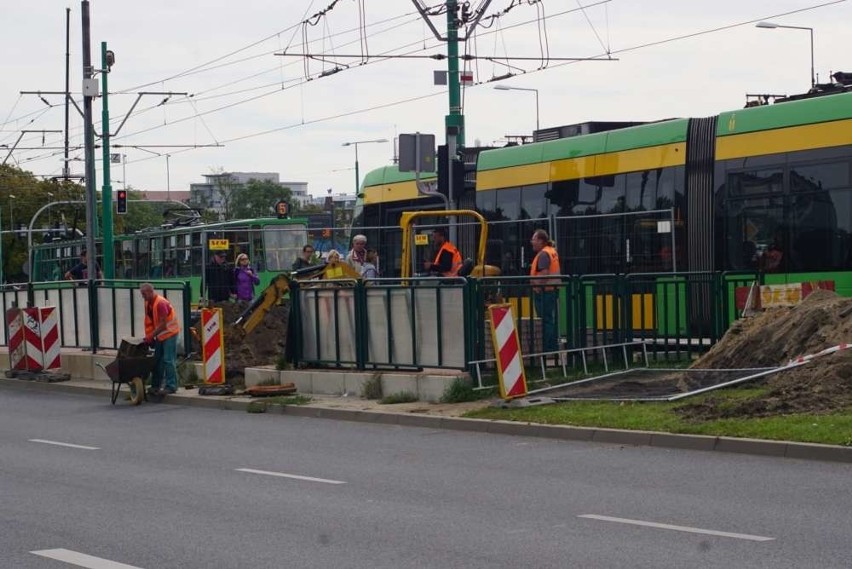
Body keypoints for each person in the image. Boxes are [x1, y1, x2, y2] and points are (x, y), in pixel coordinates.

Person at [140, 283, 181, 394]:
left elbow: (163, 325)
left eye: (143, 294)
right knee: (157, 360)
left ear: (150, 292)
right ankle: (155, 385)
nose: (142, 296)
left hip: (170, 334)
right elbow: (151, 321)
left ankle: (171, 386)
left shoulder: (161, 303)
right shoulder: (149, 303)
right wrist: (151, 336)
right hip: (160, 335)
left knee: (168, 360)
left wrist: (150, 336)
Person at [530, 229, 560, 353]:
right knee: (549, 320)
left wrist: (536, 285)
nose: (532, 242)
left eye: (534, 239)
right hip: (550, 291)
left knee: (545, 321)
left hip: (544, 292)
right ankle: (552, 348)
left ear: (541, 241)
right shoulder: (551, 251)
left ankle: (547, 349)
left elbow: (544, 274)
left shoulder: (543, 254)